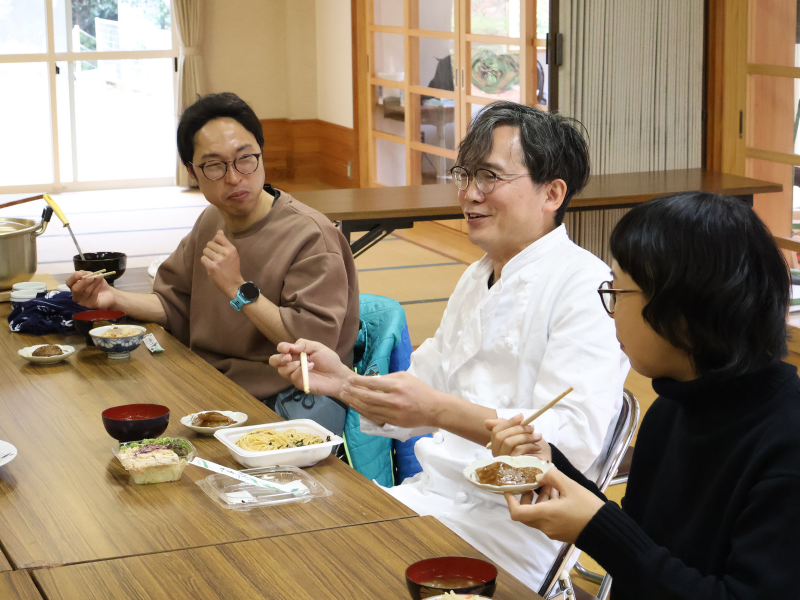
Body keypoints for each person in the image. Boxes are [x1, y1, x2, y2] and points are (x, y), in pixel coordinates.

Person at [270, 101, 628, 590]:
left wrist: (438, 410)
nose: (469, 194)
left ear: (552, 193)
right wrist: (345, 383)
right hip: (430, 496)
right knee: (294, 545)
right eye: (465, 175)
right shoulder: (477, 276)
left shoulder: (584, 286)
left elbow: (571, 445)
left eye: (489, 177)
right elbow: (420, 390)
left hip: (511, 527)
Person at [487, 192, 800, 599]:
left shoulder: (787, 445)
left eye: (618, 291)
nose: (611, 309)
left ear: (683, 313)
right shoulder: (672, 409)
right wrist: (548, 463)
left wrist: (594, 528)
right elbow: (646, 549)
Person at [67, 93, 360, 435]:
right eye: (215, 165)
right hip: (212, 383)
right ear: (193, 172)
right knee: (96, 412)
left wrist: (238, 289)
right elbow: (175, 304)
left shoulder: (311, 236)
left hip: (288, 399)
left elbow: (312, 351)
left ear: (262, 155)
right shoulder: (211, 220)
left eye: (245, 159)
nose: (234, 178)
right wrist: (113, 298)